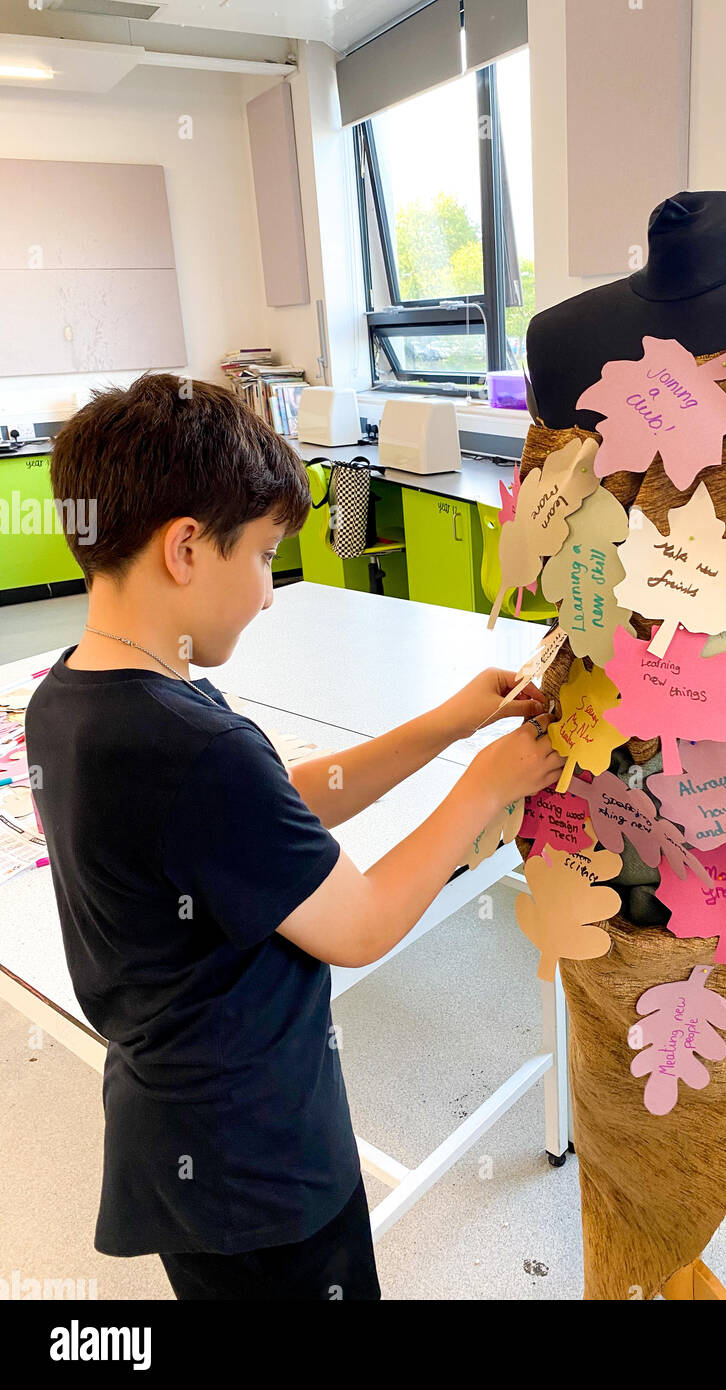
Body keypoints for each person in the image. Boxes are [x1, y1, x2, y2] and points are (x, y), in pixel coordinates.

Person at [24, 372, 564, 1301]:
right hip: (260, 1161)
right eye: (267, 556)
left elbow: (280, 807)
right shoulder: (194, 747)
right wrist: (483, 788)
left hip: (175, 1135)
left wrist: (442, 728)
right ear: (187, 548)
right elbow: (357, 927)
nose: (271, 593)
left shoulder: (77, 693)